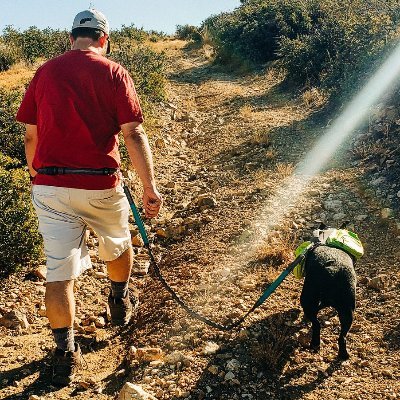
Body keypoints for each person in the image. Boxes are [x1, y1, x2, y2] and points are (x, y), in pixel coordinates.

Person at [16, 9, 162, 386]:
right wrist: (149, 188)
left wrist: (37, 177)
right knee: (118, 242)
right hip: (99, 184)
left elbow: (30, 136)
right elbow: (132, 134)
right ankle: (119, 299)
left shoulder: (45, 72)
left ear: (71, 38)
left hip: (50, 186)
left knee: (59, 271)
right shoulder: (114, 72)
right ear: (104, 39)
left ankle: (64, 353)